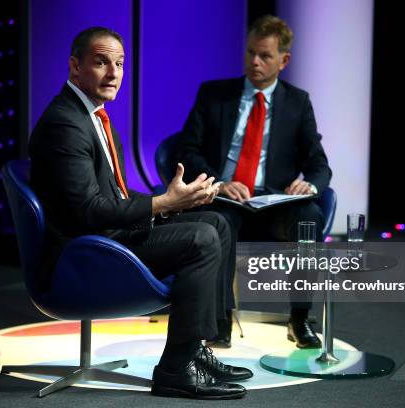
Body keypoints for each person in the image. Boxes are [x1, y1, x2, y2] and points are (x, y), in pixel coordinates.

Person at [28, 27, 252, 400]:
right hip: (84, 253)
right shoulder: (65, 123)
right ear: (75, 67)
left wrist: (173, 200)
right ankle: (176, 369)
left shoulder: (94, 116)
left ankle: (196, 348)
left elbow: (113, 195)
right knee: (201, 237)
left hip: (106, 237)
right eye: (101, 63)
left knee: (218, 221)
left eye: (119, 64)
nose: (114, 73)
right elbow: (87, 211)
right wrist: (165, 204)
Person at [179, 15, 332, 349]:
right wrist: (219, 182)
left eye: (264, 56)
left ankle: (300, 318)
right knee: (217, 222)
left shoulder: (298, 101)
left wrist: (311, 185)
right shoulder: (214, 94)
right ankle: (219, 322)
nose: (254, 62)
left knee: (309, 219)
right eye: (250, 53)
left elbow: (318, 163)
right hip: (227, 196)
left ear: (284, 61)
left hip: (275, 202)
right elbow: (186, 149)